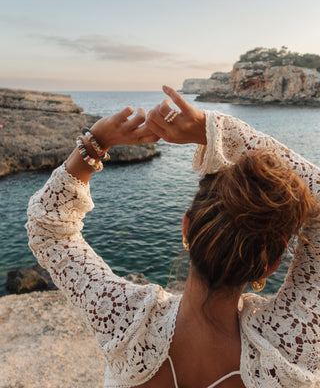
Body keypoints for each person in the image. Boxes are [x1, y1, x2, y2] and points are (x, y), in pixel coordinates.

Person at [26, 86, 320, 388]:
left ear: (186, 227)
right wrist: (216, 131)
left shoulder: (124, 320)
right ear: (270, 265)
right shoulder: (291, 346)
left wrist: (96, 141)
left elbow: (48, 228)